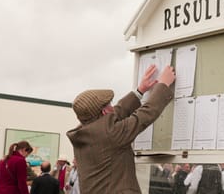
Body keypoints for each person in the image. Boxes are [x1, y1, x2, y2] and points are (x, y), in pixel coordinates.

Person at [67, 64, 175, 194]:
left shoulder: (85, 133)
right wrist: (163, 84)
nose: (112, 107)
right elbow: (145, 114)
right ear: (104, 111)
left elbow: (116, 113)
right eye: (109, 104)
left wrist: (140, 90)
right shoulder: (110, 134)